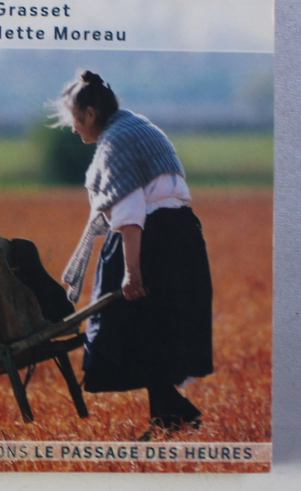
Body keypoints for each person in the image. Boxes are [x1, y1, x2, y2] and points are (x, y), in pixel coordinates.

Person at [53, 70, 213, 440]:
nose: (75, 130)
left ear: (91, 113)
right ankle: (169, 415)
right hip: (182, 237)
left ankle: (173, 413)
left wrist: (131, 271)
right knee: (153, 330)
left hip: (150, 242)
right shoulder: (137, 126)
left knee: (127, 329)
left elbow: (129, 213)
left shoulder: (115, 143)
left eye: (76, 121)